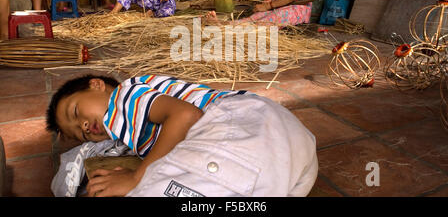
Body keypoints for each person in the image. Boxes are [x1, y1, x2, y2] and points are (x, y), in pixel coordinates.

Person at [46, 74, 318, 197]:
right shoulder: (129, 125)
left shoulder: (125, 97)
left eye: (76, 111)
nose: (83, 126)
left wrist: (137, 177)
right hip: (290, 151)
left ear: (97, 85)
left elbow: (186, 116)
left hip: (243, 120)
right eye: (80, 134)